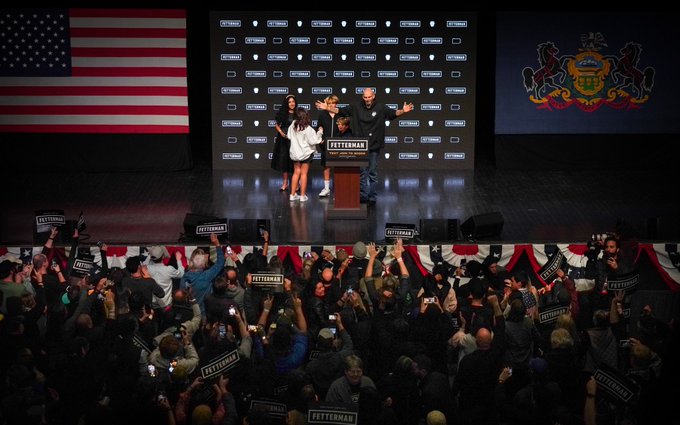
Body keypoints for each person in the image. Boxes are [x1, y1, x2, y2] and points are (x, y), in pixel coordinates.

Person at [315, 88, 414, 206]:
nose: (367, 99)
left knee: (372, 172)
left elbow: (393, 114)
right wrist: (327, 108)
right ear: (363, 97)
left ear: (373, 96)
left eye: (369, 97)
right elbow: (340, 110)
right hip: (360, 145)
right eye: (365, 97)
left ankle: (372, 197)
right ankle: (363, 196)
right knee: (362, 173)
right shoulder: (356, 107)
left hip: (374, 145)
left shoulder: (381, 107)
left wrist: (403, 110)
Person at [288, 107, 324, 203]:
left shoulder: (292, 125)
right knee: (303, 174)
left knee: (296, 173)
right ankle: (302, 196)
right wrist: (320, 132)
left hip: (295, 154)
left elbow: (289, 136)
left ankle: (292, 195)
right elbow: (314, 141)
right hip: (305, 154)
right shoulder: (308, 129)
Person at [315, 94, 340, 198]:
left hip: (339, 145)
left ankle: (338, 189)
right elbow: (319, 126)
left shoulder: (340, 114)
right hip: (326, 145)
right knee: (326, 166)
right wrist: (320, 138)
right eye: (329, 103)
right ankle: (326, 189)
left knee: (338, 167)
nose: (331, 105)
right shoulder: (322, 115)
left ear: (336, 104)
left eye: (333, 103)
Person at [271, 94, 297, 192]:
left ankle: (297, 184)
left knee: (295, 162)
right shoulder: (282, 113)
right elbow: (276, 125)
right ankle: (285, 183)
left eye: (293, 102)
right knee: (284, 161)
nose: (291, 103)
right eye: (289, 102)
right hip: (283, 139)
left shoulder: (298, 113)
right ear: (287, 103)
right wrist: (281, 132)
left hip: (295, 140)